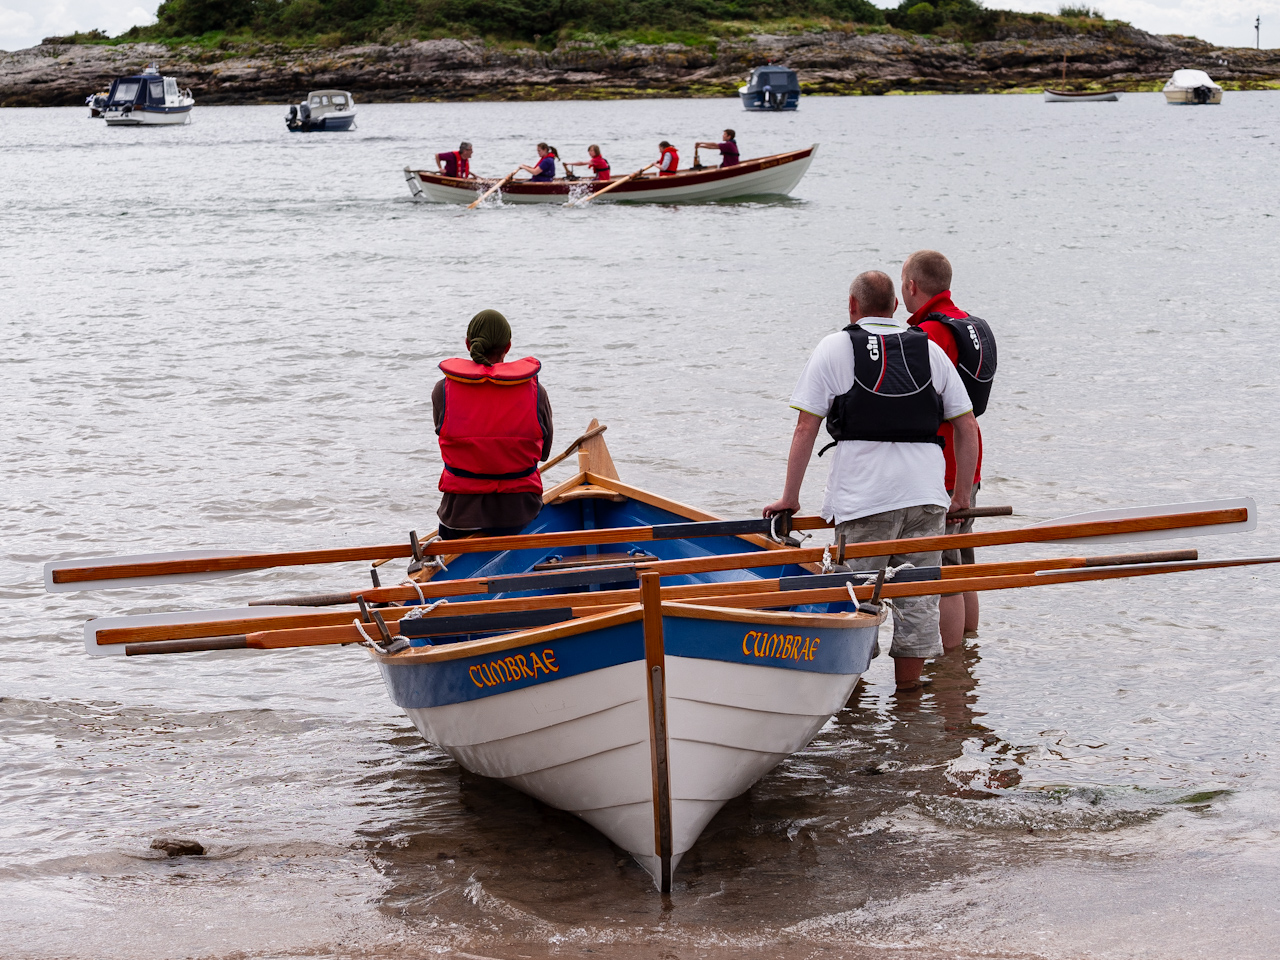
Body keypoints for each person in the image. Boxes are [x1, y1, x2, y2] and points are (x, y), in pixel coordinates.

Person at [763, 270, 979, 692]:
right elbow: (966, 426)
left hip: (865, 498)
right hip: (926, 496)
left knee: (854, 597)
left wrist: (790, 498)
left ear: (852, 305)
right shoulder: (929, 349)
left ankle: (850, 693)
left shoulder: (834, 346)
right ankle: (909, 694)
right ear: (896, 307)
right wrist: (961, 495)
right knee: (918, 598)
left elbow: (805, 428)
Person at [901, 250, 997, 650]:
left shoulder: (932, 334)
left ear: (910, 286)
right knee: (964, 560)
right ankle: (969, 655)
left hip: (944, 466)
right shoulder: (967, 324)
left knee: (945, 571)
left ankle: (950, 662)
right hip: (969, 458)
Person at [433, 310, 554, 540]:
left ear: (468, 344)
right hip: (520, 514)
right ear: (508, 346)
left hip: (460, 516)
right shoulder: (536, 392)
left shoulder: (442, 390)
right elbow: (544, 453)